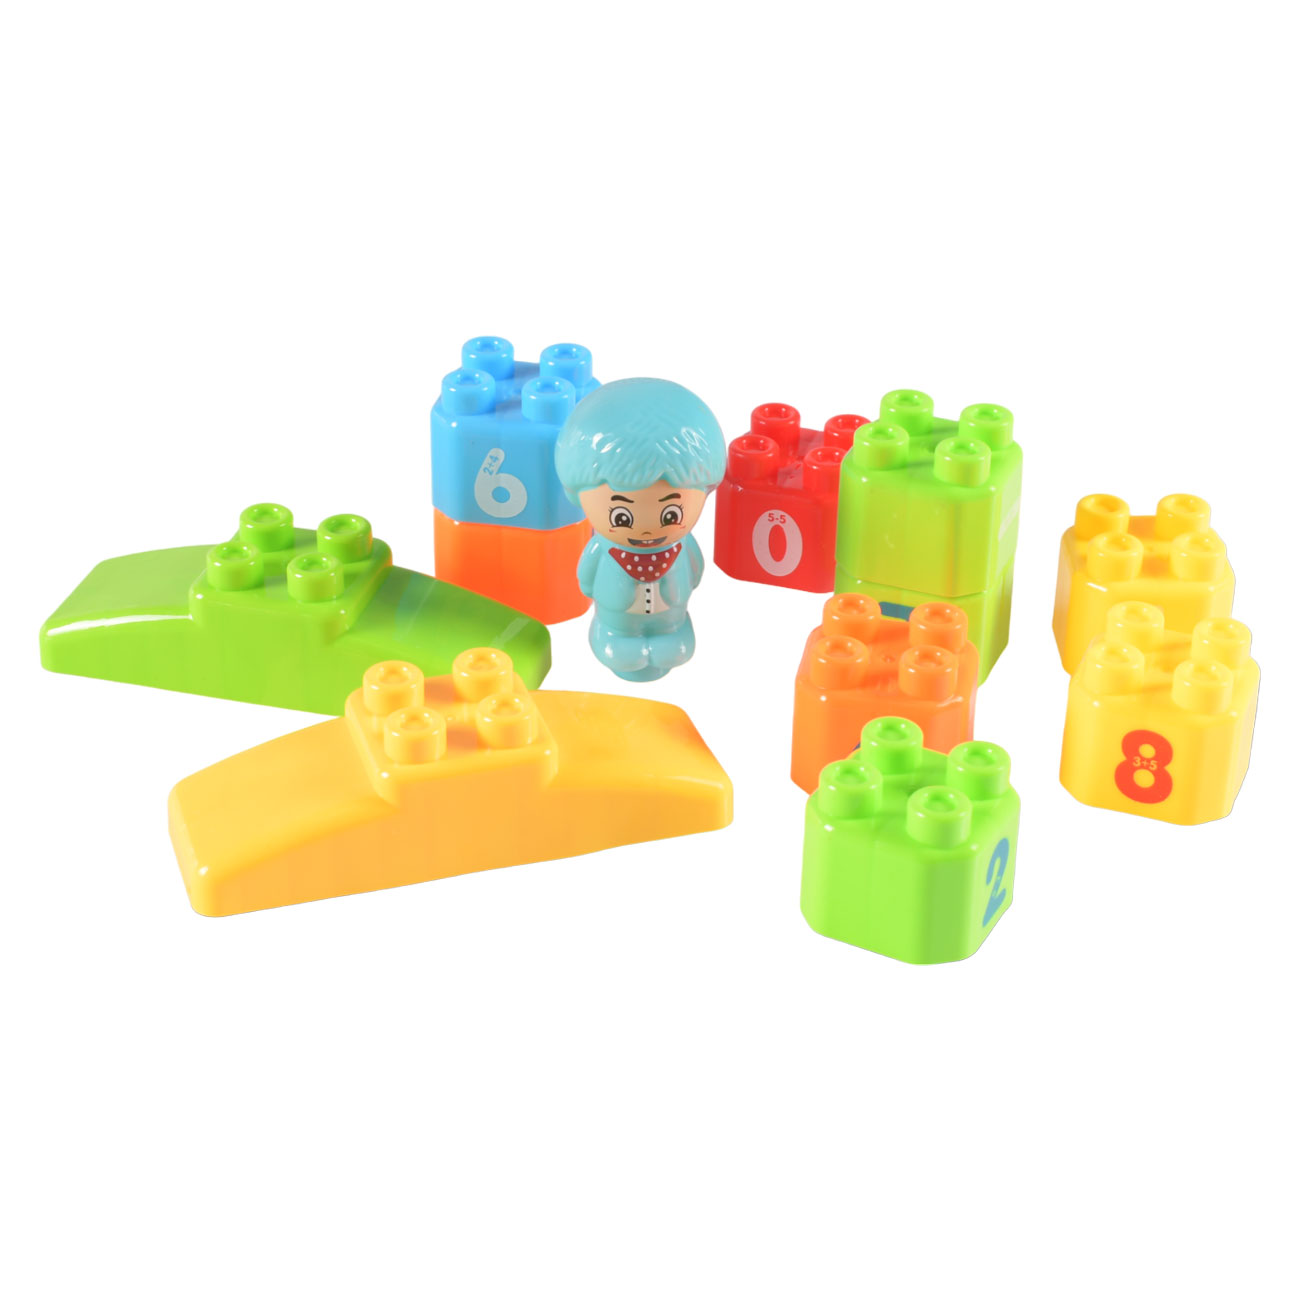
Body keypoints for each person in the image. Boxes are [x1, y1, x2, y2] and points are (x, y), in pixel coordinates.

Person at [555, 378, 726, 682]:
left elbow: (696, 571)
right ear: (578, 495)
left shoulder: (683, 546)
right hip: (616, 619)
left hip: (671, 615)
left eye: (671, 514)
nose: (647, 531)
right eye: (622, 517)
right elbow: (587, 580)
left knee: (671, 644)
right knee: (622, 645)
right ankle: (614, 636)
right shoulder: (602, 549)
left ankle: (671, 632)